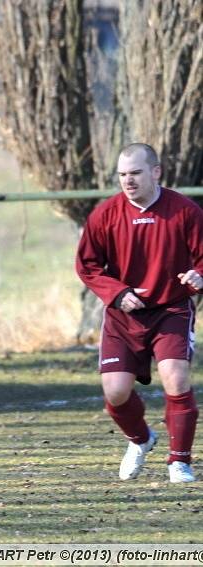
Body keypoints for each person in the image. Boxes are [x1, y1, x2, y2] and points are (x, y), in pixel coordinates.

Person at [76, 143, 203, 483]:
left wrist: (198, 277)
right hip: (123, 316)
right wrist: (117, 294)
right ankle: (141, 440)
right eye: (122, 175)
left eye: (135, 173)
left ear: (156, 172)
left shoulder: (184, 211)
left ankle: (179, 462)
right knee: (115, 393)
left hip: (171, 309)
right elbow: (87, 266)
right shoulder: (105, 214)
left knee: (176, 378)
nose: (128, 181)